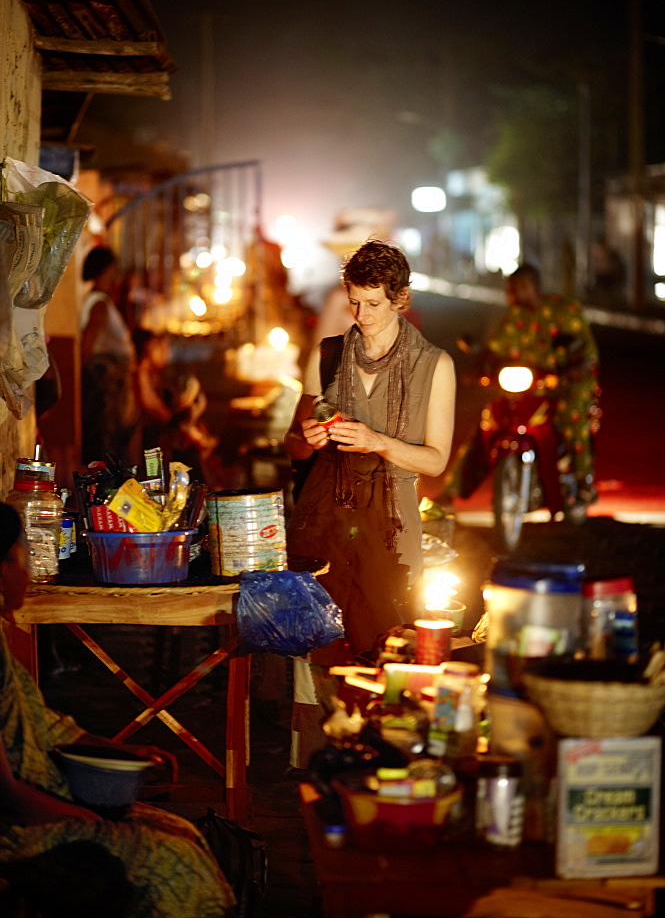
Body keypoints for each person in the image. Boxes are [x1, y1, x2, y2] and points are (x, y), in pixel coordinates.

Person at [0, 501, 235, 918]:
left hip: (40, 798)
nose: (31, 575)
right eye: (24, 560)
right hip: (15, 831)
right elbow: (7, 794)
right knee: (175, 863)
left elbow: (42, 723)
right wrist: (93, 823)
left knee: (182, 831)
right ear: (2, 570)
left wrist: (121, 751)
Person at [284, 240, 456, 769]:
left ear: (400, 299)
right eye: (354, 302)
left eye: (373, 304)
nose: (361, 316)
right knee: (315, 645)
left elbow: (435, 461)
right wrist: (309, 436)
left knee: (388, 645)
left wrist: (380, 442)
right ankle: (314, 766)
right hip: (326, 522)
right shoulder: (330, 354)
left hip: (391, 527)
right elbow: (293, 440)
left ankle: (383, 764)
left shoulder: (435, 365)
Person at [444, 262, 600, 504]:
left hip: (566, 384)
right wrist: (475, 368)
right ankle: (453, 489)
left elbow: (585, 350)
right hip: (529, 385)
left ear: (529, 287)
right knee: (489, 422)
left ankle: (583, 482)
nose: (510, 296)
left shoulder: (565, 310)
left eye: (514, 289)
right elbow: (493, 349)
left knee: (571, 416)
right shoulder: (513, 317)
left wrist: (572, 370)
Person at [79, 246, 138, 466]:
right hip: (107, 385)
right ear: (105, 270)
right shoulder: (100, 304)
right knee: (109, 439)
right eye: (113, 270)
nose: (115, 275)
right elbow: (88, 344)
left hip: (107, 384)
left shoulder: (98, 300)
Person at [132, 328, 172, 452]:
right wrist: (172, 420)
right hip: (141, 442)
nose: (165, 353)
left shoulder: (149, 374)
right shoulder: (139, 373)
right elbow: (149, 404)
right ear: (149, 347)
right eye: (160, 347)